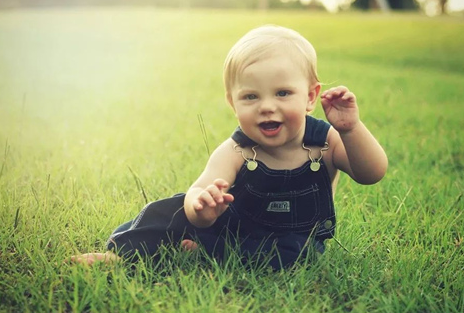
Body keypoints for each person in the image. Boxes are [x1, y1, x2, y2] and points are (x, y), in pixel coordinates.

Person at [70, 25, 388, 269]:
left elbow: (371, 173)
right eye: (251, 96)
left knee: (295, 254)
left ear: (309, 97)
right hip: (232, 227)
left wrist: (351, 129)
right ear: (232, 103)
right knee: (172, 210)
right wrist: (202, 207)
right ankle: (122, 253)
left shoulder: (327, 141)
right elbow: (200, 188)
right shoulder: (236, 151)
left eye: (282, 93)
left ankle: (204, 254)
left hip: (292, 240)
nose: (266, 106)